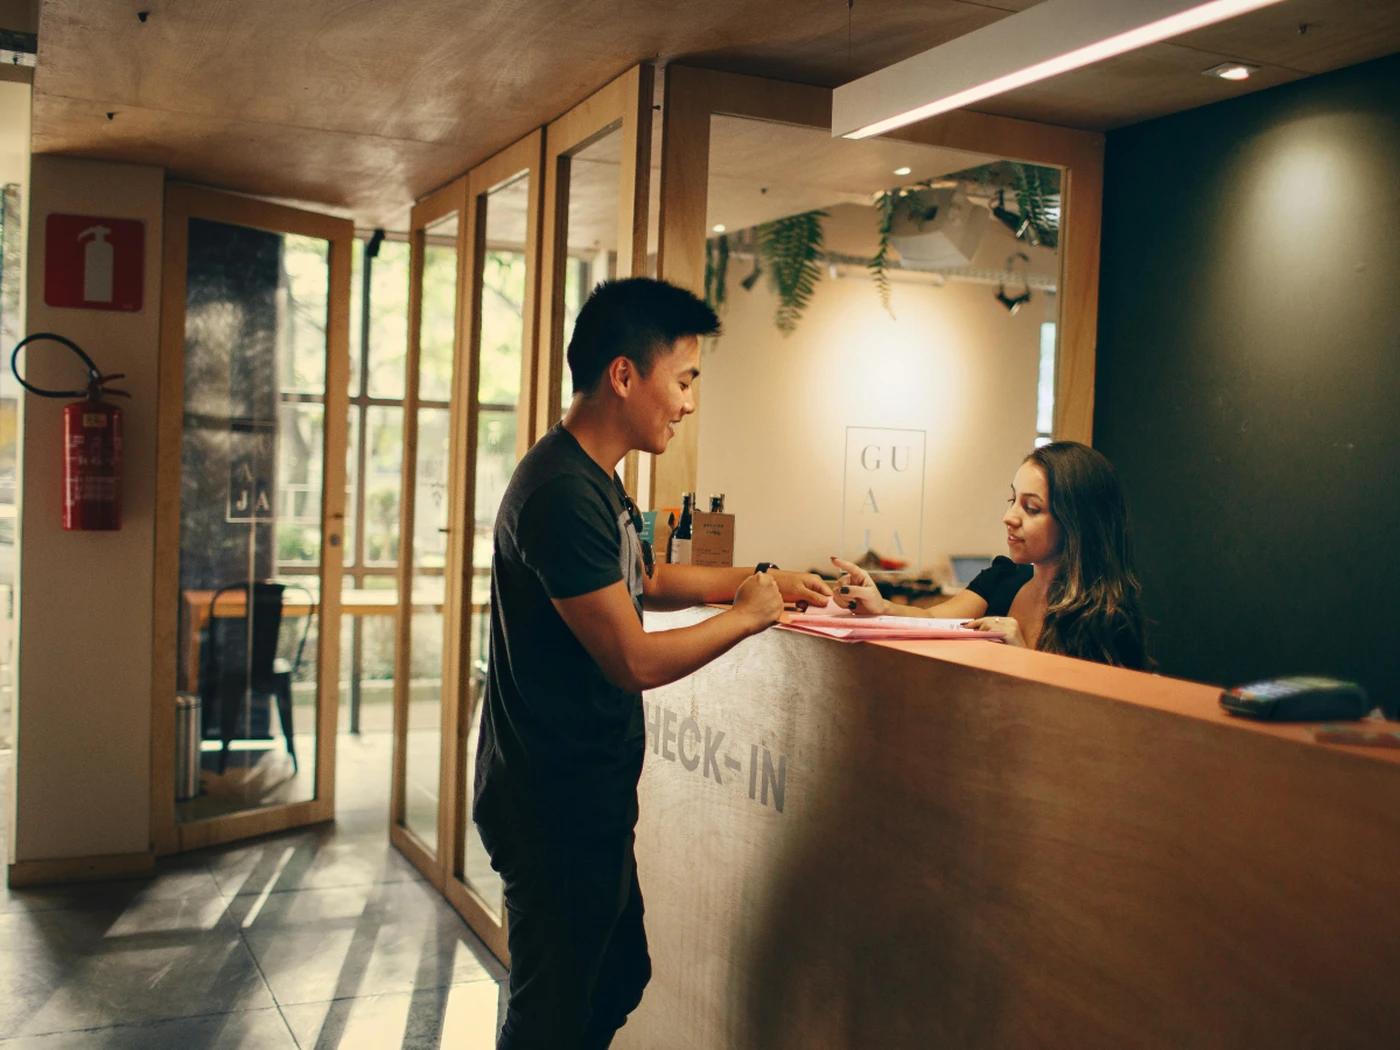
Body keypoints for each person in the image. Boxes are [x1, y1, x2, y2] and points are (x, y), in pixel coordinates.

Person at [473, 277, 832, 1050]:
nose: (689, 401)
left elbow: (653, 580)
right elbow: (630, 659)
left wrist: (760, 579)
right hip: (552, 803)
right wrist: (745, 618)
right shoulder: (562, 493)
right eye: (684, 379)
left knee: (615, 977)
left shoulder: (596, 480)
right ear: (624, 375)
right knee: (551, 1019)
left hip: (584, 796)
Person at [832, 441, 1146, 669]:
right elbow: (930, 620)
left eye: (1031, 508)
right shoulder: (1003, 578)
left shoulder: (1106, 618)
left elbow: (1089, 721)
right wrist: (880, 605)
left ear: (1076, 522)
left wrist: (1021, 654)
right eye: (1012, 500)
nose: (1010, 517)